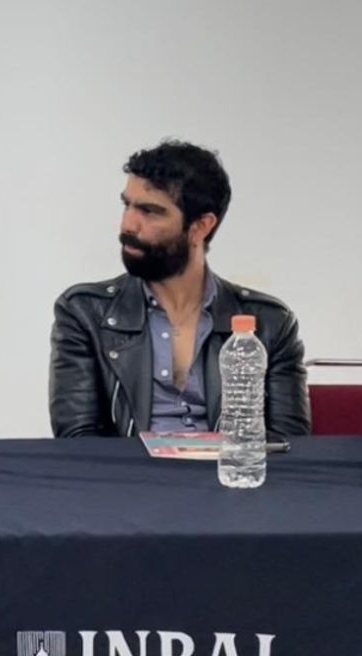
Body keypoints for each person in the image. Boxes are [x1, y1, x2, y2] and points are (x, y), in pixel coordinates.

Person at [49, 139, 310, 438]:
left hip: (231, 467)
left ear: (201, 227)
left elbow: (289, 442)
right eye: (127, 205)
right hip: (126, 468)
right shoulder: (85, 313)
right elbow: (78, 440)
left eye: (150, 211)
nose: (128, 225)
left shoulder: (270, 322)